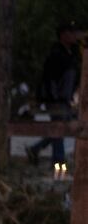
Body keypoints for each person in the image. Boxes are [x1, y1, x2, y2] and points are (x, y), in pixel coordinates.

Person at [27, 24, 82, 167]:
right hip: (57, 99)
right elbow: (50, 78)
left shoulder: (72, 53)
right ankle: (59, 162)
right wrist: (54, 97)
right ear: (63, 35)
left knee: (64, 127)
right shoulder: (56, 53)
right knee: (59, 128)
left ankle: (36, 148)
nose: (74, 36)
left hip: (66, 99)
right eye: (71, 33)